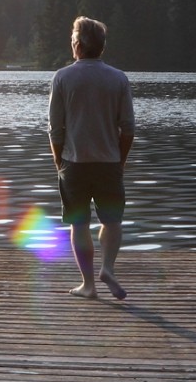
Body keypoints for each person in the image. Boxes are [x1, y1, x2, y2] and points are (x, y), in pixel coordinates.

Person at [48, 16, 135, 300]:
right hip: (109, 163)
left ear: (77, 44)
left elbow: (56, 129)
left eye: (72, 39)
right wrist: (120, 161)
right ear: (101, 46)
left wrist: (59, 161)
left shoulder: (62, 77)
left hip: (74, 163)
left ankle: (88, 285)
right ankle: (107, 267)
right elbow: (128, 128)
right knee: (112, 221)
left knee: (79, 224)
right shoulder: (118, 78)